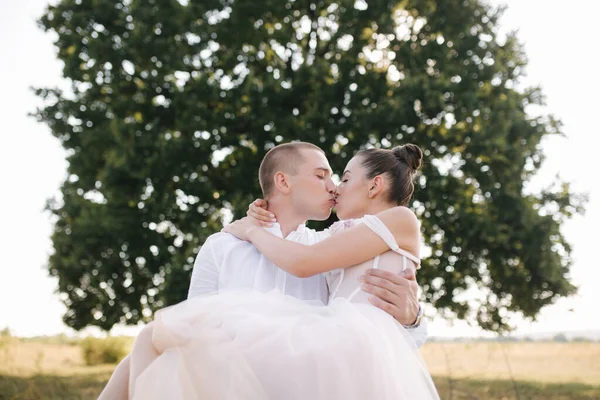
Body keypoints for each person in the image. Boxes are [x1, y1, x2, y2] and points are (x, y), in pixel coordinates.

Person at [99, 142, 432, 399]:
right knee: (150, 349)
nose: (334, 187)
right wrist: (252, 227)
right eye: (323, 175)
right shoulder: (224, 245)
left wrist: (413, 317)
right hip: (232, 382)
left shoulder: (322, 247)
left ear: (373, 187)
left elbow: (377, 332)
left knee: (148, 345)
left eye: (340, 178)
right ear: (283, 181)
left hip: (309, 377)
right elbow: (190, 327)